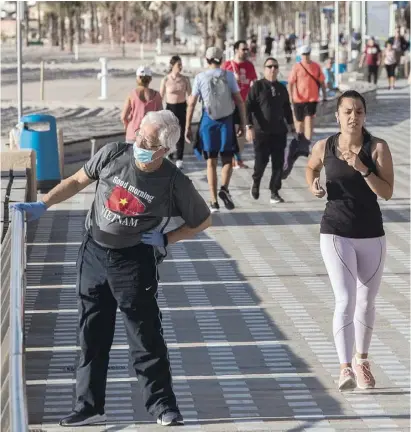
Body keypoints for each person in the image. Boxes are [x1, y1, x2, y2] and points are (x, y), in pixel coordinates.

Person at [13, 111, 212, 427]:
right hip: (94, 253)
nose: (138, 141)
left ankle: (163, 406)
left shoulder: (174, 181)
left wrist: (166, 238)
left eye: (146, 140)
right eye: (138, 133)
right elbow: (77, 181)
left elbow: (202, 220)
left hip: (134, 262)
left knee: (145, 335)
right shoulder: (114, 153)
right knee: (91, 332)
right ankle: (88, 405)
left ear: (164, 150)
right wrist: (44, 203)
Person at [306, 90, 394, 391]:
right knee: (345, 299)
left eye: (358, 111)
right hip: (335, 230)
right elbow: (310, 167)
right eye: (347, 111)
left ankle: (362, 360)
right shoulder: (326, 146)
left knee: (367, 301)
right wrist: (313, 185)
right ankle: (345, 368)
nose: (353, 117)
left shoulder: (377, 147)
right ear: (338, 116)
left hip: (371, 233)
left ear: (365, 115)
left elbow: (387, 191)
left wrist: (363, 168)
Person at [185, 46, 247, 213]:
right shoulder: (228, 76)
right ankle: (224, 188)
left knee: (211, 162)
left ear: (207, 59)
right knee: (227, 159)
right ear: (221, 59)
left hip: (208, 121)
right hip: (226, 121)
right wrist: (242, 123)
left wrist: (187, 126)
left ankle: (213, 201)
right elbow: (239, 101)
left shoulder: (200, 77)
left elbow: (191, 104)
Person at [246, 57, 295, 204]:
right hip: (261, 132)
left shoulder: (281, 88)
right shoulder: (257, 86)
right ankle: (256, 182)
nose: (272, 69)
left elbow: (287, 108)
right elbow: (248, 107)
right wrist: (249, 126)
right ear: (264, 69)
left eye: (275, 66)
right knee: (261, 162)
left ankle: (274, 191)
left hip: (279, 132)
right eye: (269, 66)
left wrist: (292, 125)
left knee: (278, 163)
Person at [222, 40, 258, 169]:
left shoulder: (249, 65)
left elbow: (254, 83)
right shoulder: (227, 65)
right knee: (230, 131)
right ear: (236, 50)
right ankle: (232, 159)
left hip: (245, 103)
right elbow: (219, 84)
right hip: (229, 103)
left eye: (247, 49)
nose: (246, 51)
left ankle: (238, 158)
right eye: (243, 49)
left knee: (241, 131)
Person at [288, 45, 327, 143]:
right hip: (298, 99)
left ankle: (307, 142)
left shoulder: (316, 66)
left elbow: (322, 82)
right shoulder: (296, 67)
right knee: (299, 123)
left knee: (309, 120)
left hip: (312, 99)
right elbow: (290, 83)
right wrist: (290, 97)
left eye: (307, 54)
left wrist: (325, 96)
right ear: (301, 55)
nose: (306, 56)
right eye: (304, 54)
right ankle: (300, 141)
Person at [160, 55, 192, 169]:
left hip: (182, 107)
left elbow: (190, 96)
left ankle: (180, 159)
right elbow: (161, 97)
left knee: (181, 132)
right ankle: (169, 154)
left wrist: (191, 109)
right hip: (170, 108)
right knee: (169, 133)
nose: (180, 67)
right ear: (172, 66)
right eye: (178, 65)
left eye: (181, 64)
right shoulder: (166, 79)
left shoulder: (185, 79)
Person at [121, 66, 163, 143]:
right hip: (150, 135)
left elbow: (124, 116)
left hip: (133, 134)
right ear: (150, 79)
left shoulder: (132, 94)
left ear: (138, 78)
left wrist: (127, 127)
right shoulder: (157, 95)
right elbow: (160, 117)